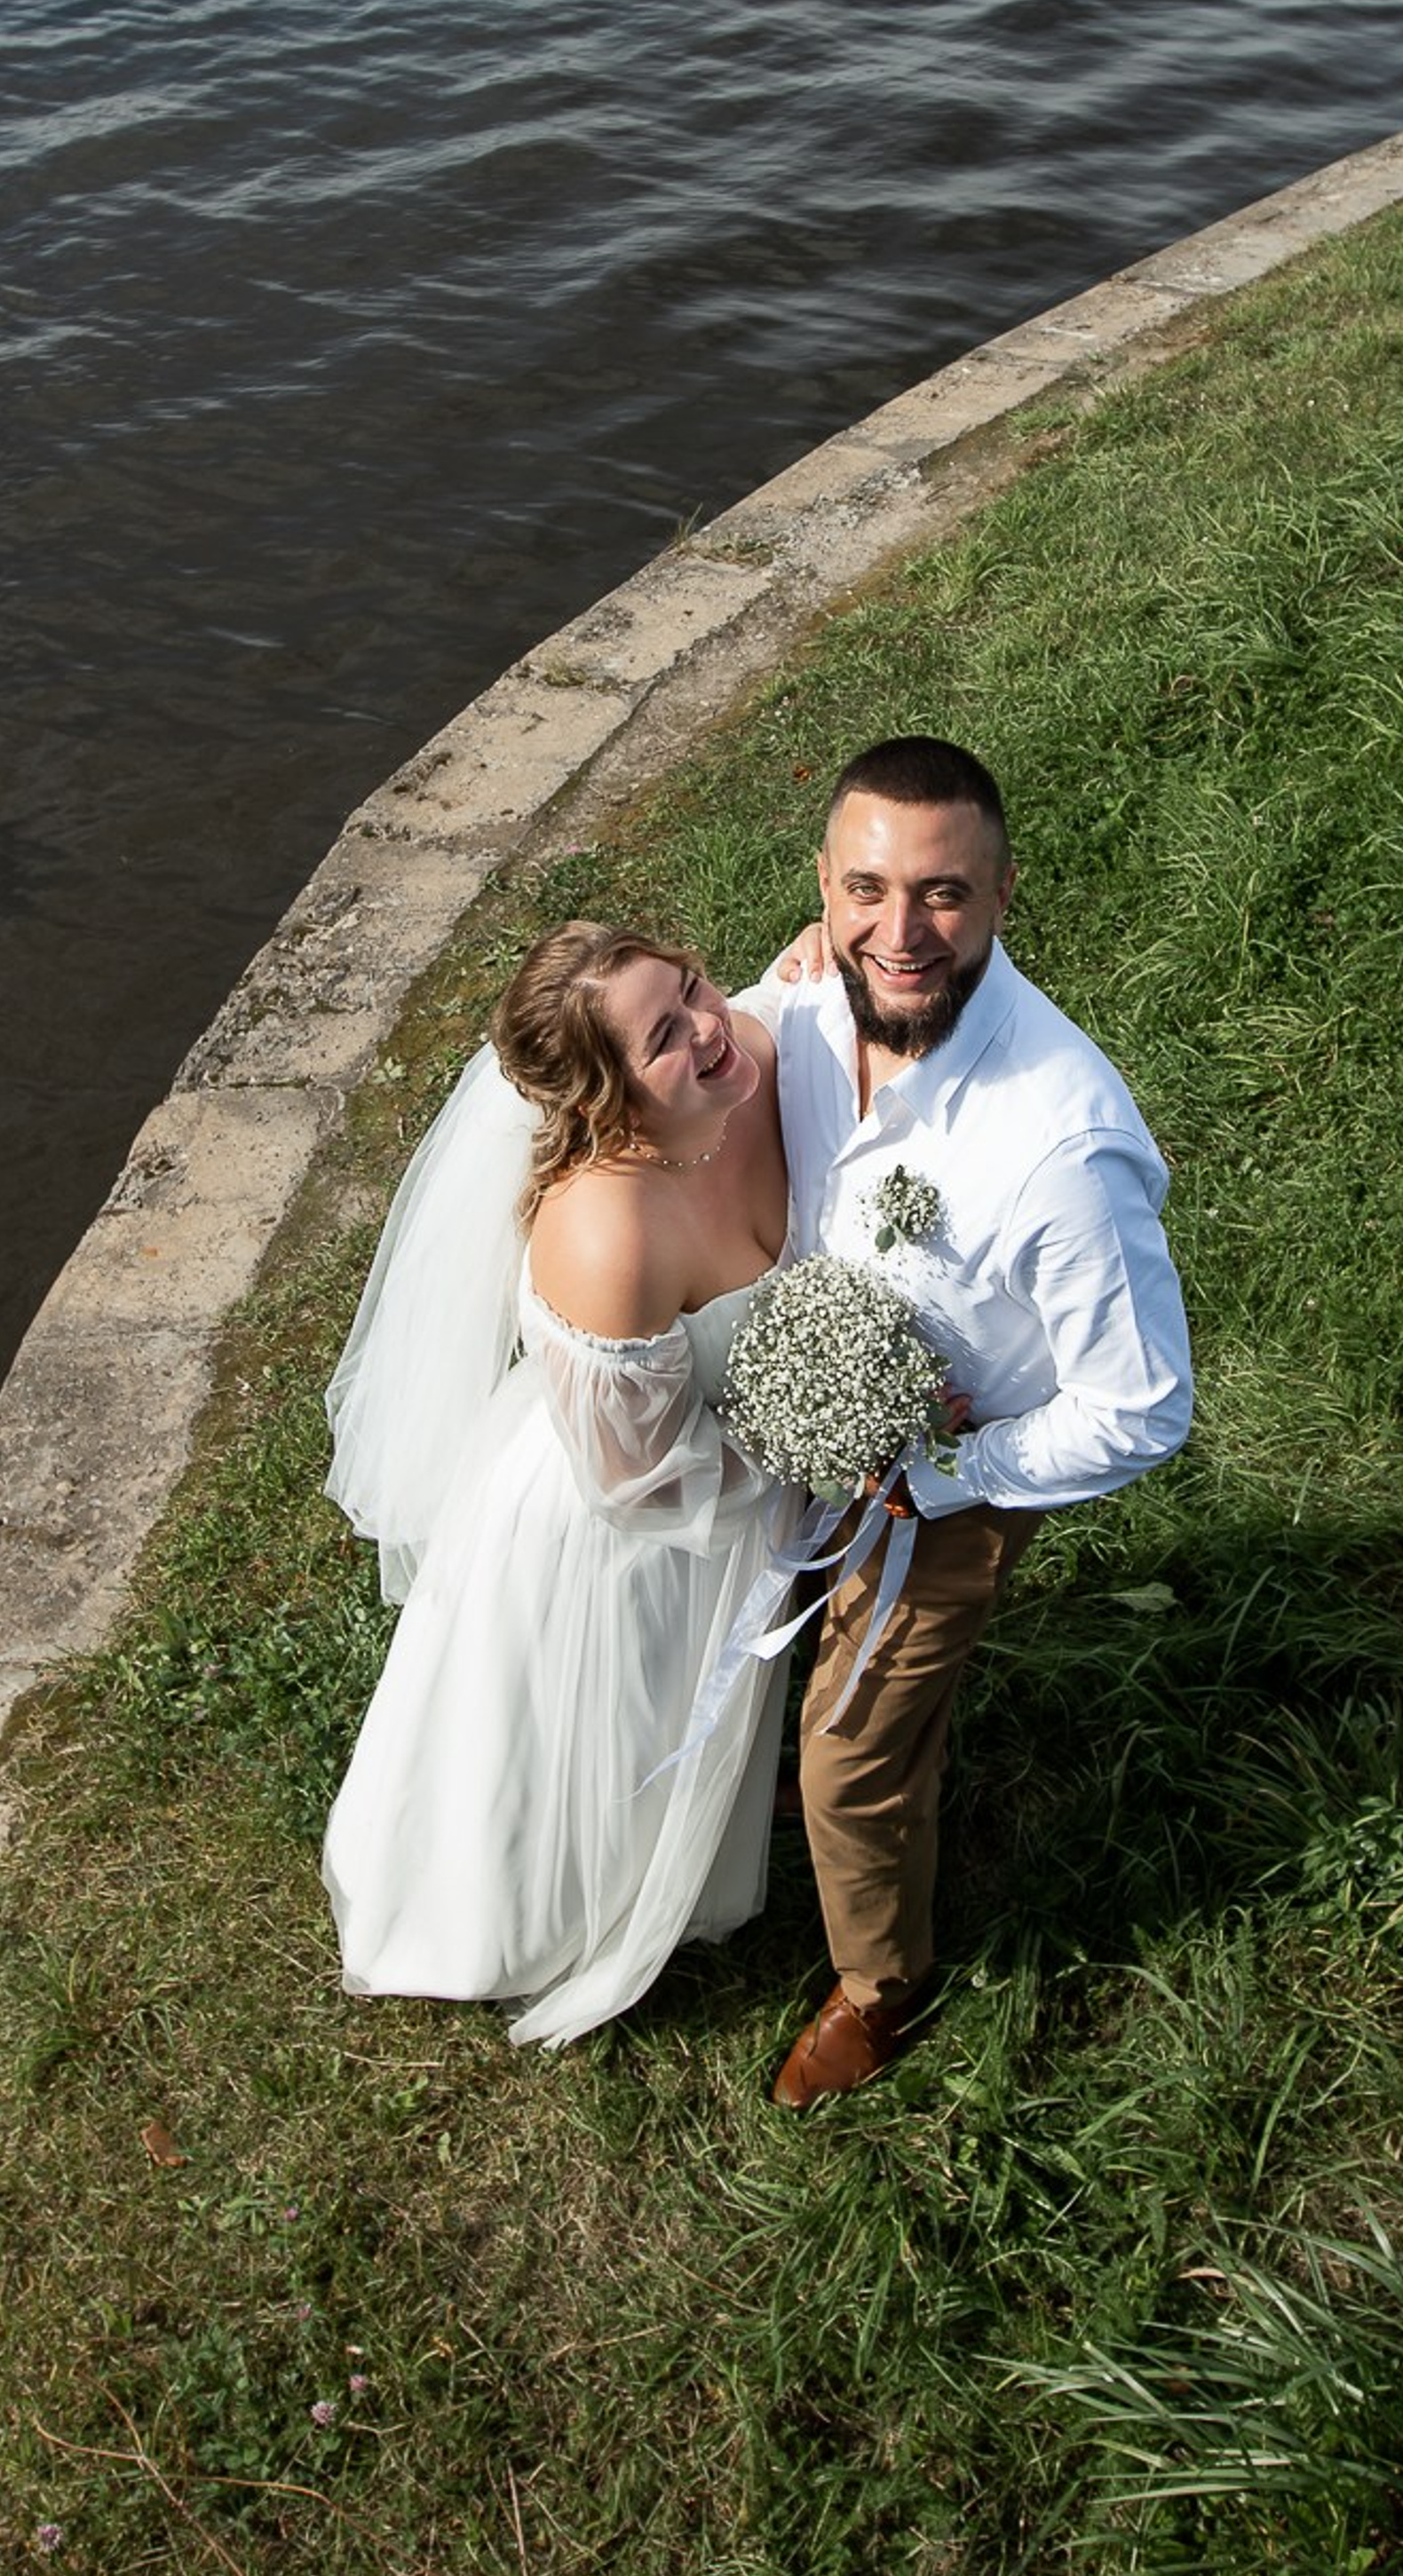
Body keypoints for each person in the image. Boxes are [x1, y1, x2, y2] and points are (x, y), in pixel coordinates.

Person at [749, 738, 1193, 2106]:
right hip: (811, 1428)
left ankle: (882, 1987)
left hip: (955, 1478)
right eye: (868, 890)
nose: (901, 934)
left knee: (849, 1758)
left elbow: (1142, 1409)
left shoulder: (1061, 1147)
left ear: (1002, 894)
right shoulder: (808, 999)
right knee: (789, 1657)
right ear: (823, 886)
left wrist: (947, 1474)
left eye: (942, 894)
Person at [320, 921, 793, 2044]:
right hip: (618, 1532)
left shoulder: (745, 1054)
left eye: (691, 984)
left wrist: (811, 951)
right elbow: (641, 1483)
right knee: (590, 1746)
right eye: (664, 1037)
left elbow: (779, 999)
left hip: (709, 1477)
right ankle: (513, 1922)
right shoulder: (605, 1236)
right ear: (607, 1103)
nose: (709, 1027)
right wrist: (814, 1449)